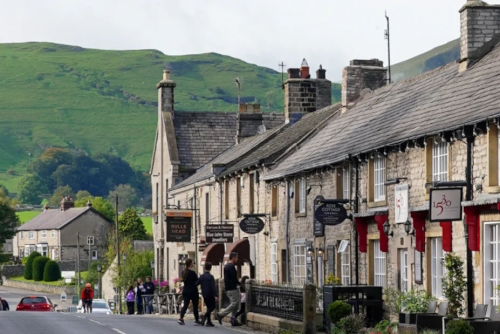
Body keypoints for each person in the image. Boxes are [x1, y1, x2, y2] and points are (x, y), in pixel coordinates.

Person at [217, 252, 242, 326]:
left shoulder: (226, 266)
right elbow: (234, 278)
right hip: (232, 288)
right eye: (236, 257)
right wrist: (240, 284)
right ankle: (221, 314)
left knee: (235, 305)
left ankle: (233, 320)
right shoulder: (231, 267)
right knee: (235, 303)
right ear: (233, 257)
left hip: (228, 288)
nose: (237, 259)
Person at [178, 258, 201, 325]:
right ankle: (196, 319)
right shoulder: (192, 273)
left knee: (185, 305)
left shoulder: (183, 272)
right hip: (193, 291)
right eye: (192, 263)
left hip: (186, 290)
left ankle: (181, 318)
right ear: (190, 264)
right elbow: (196, 281)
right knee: (195, 306)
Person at [197, 262, 218, 327]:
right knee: (212, 307)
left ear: (205, 267)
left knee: (209, 307)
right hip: (210, 294)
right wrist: (216, 295)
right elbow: (213, 286)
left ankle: (209, 321)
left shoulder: (202, 276)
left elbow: (197, 283)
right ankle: (205, 316)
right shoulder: (211, 277)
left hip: (204, 294)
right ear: (210, 268)